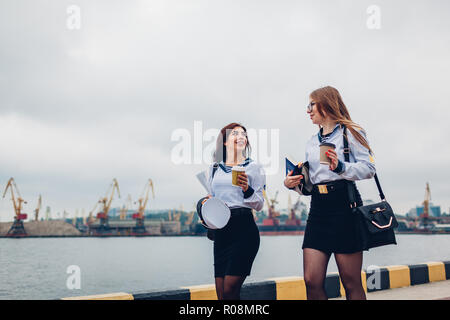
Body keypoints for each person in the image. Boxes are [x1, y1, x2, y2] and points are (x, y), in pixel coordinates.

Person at [284, 86, 376, 300]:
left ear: (326, 104)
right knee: (311, 280)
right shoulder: (311, 142)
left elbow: (369, 168)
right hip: (318, 209)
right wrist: (293, 184)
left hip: (345, 207)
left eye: (311, 105)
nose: (308, 110)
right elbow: (312, 183)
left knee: (350, 281)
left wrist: (341, 167)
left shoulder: (351, 132)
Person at [202, 122, 265, 300]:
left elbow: (259, 204)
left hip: (244, 229)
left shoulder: (253, 167)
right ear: (224, 142)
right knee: (222, 294)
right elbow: (212, 198)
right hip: (221, 230)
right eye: (235, 134)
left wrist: (247, 189)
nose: (241, 136)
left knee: (230, 290)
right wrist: (205, 214)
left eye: (244, 134)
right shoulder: (214, 168)